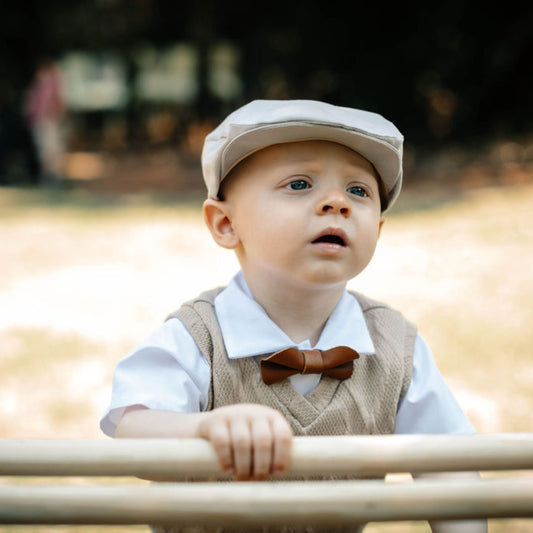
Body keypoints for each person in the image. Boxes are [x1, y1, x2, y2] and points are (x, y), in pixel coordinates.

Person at [100, 99, 487, 533]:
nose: (337, 202)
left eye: (359, 191)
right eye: (300, 183)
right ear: (225, 224)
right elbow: (132, 430)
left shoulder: (395, 347)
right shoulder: (197, 337)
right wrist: (204, 428)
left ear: (376, 229)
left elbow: (449, 466)